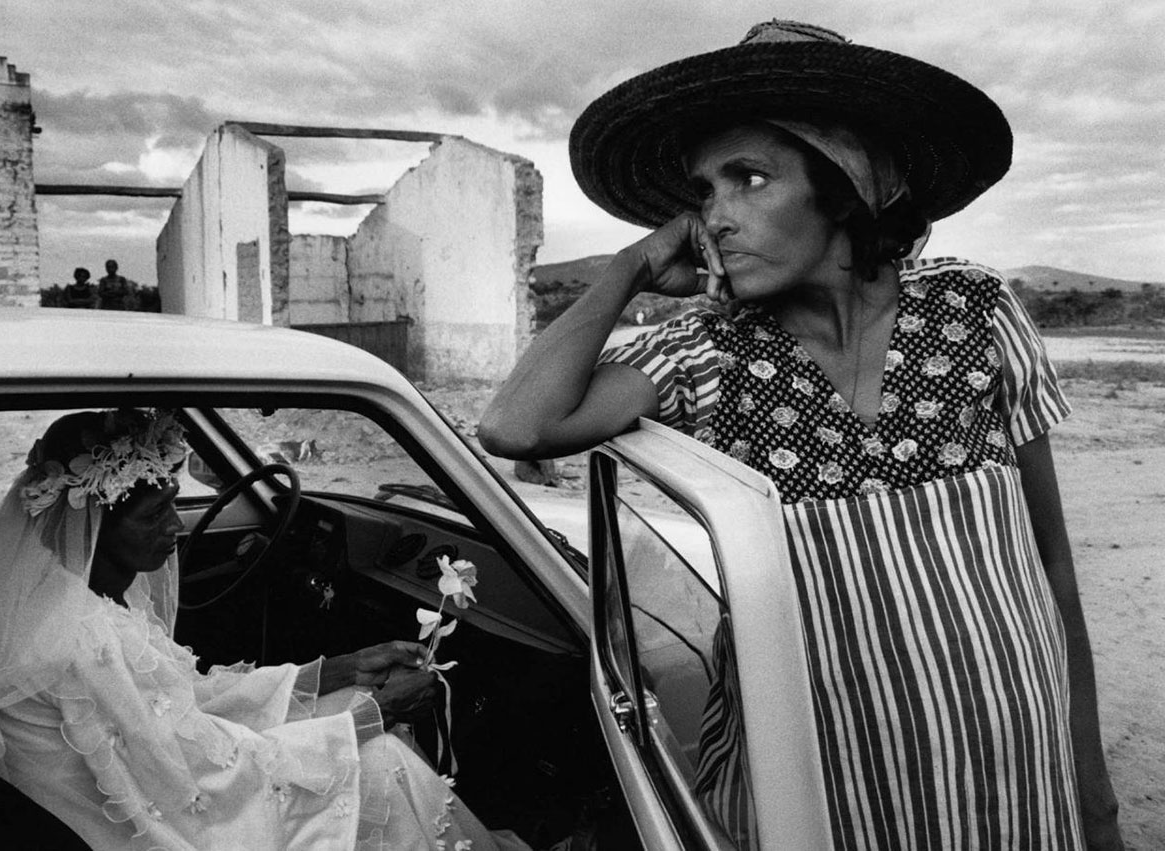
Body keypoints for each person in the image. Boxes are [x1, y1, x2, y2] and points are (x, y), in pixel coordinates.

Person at [479, 19, 1123, 851]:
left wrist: (1093, 793)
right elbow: (517, 423)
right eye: (705, 193)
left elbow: (1052, 563)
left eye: (749, 179)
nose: (716, 218)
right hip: (822, 785)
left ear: (845, 185)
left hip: (1010, 766)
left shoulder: (974, 311)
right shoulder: (708, 351)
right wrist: (631, 266)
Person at [0, 408, 530, 850]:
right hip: (163, 820)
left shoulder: (83, 597)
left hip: (162, 775)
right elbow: (191, 773)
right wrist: (371, 714)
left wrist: (338, 672)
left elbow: (181, 700)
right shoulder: (84, 634)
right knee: (383, 755)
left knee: (355, 714)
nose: (176, 529)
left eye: (174, 506)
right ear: (95, 522)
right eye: (155, 515)